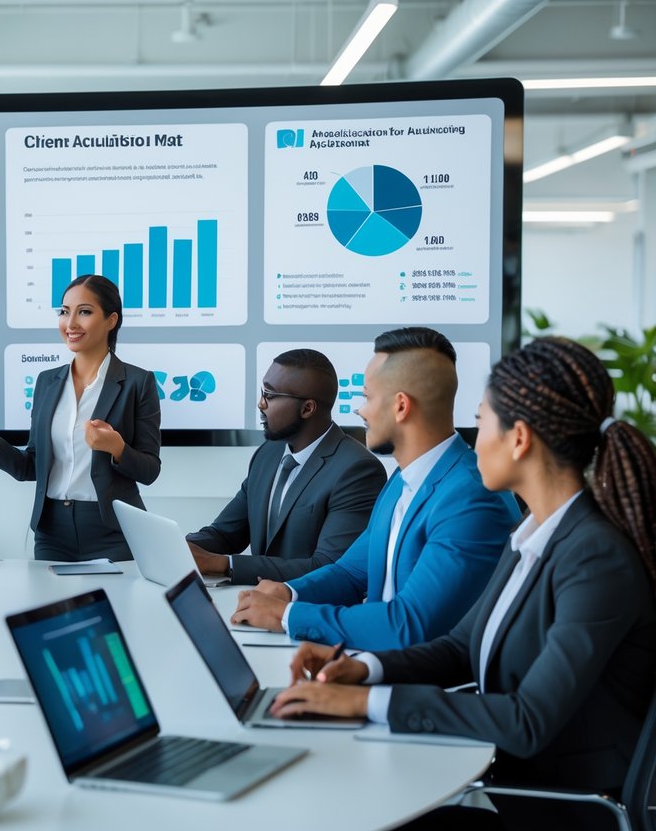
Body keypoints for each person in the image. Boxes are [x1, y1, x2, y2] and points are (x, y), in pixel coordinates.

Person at [272, 337, 656, 830]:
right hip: (512, 789)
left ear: (518, 439)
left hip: (563, 811)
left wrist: (368, 703)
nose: (473, 440)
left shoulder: (595, 557)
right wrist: (362, 670)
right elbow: (459, 646)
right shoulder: (532, 534)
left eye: (481, 422)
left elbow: (527, 720)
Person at [231, 327, 519, 650]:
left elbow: (408, 625)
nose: (360, 410)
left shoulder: (472, 497)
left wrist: (287, 615)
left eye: (366, 396)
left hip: (427, 688)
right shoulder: (401, 480)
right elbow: (350, 573)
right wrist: (289, 592)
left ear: (400, 407)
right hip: (373, 666)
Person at [0, 274, 161, 561]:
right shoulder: (47, 382)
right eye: (64, 311)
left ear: (111, 320)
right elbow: (31, 467)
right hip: (52, 532)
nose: (70, 323)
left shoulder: (137, 382)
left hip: (112, 532)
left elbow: (150, 471)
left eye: (84, 312)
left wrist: (116, 448)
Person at [188, 349, 386, 583]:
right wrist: (178, 547)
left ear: (307, 409)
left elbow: (329, 568)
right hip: (255, 607)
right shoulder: (268, 454)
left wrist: (222, 564)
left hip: (307, 612)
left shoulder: (357, 470)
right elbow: (225, 533)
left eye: (269, 395)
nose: (261, 404)